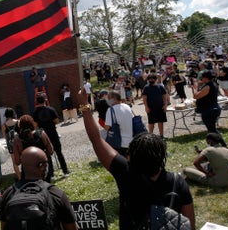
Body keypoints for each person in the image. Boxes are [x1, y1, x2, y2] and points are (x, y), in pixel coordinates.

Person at [77, 89, 196, 230]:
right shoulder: (178, 182)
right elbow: (189, 224)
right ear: (162, 155)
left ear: (130, 156)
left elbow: (96, 140)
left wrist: (84, 105)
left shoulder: (126, 174)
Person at [0, 147, 77, 230]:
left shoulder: (9, 194)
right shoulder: (56, 194)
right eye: (46, 163)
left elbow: (3, 227)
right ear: (41, 166)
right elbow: (71, 227)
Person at [33, 95, 71, 178]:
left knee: (47, 155)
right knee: (59, 152)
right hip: (53, 133)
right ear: (45, 100)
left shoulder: (35, 112)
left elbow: (35, 126)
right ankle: (65, 171)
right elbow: (57, 121)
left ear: (37, 102)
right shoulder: (51, 109)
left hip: (43, 135)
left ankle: (51, 174)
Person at [12, 115, 54, 181]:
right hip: (42, 169)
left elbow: (17, 162)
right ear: (32, 123)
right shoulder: (42, 133)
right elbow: (51, 151)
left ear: (20, 126)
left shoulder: (17, 140)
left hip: (28, 173)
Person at [192, 71, 228, 147]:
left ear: (205, 78)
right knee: (211, 129)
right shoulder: (211, 84)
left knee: (212, 130)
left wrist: (195, 88)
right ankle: (215, 145)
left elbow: (196, 96)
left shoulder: (208, 86)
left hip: (209, 110)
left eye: (202, 77)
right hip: (211, 109)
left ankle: (223, 145)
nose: (201, 79)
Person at [104, 91, 134, 156]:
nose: (107, 100)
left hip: (119, 143)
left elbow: (107, 127)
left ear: (114, 99)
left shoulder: (110, 110)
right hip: (131, 140)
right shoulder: (127, 106)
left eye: (109, 98)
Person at [142, 73, 170, 138]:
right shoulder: (146, 87)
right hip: (151, 108)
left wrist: (165, 105)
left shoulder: (160, 86)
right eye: (150, 79)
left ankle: (161, 135)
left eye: (153, 79)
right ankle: (150, 136)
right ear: (148, 80)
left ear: (156, 79)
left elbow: (164, 96)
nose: (151, 80)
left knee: (160, 121)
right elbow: (144, 98)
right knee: (151, 122)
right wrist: (146, 107)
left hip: (160, 107)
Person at [1, 108, 21, 179]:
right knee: (23, 158)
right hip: (19, 143)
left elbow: (5, 137)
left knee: (14, 162)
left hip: (11, 144)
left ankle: (19, 178)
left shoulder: (3, 125)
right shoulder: (18, 122)